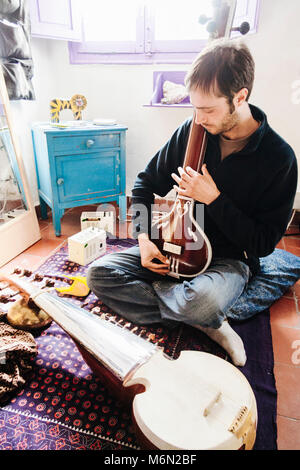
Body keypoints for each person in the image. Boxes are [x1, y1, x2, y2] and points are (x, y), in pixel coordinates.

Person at [87, 39, 298, 367]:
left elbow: (263, 243)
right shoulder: (193, 130)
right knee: (99, 274)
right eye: (194, 108)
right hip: (174, 245)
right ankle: (203, 319)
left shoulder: (279, 159)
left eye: (208, 109)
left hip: (228, 260)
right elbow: (144, 183)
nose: (198, 118)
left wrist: (213, 199)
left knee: (202, 299)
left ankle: (201, 312)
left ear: (240, 97)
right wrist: (143, 238)